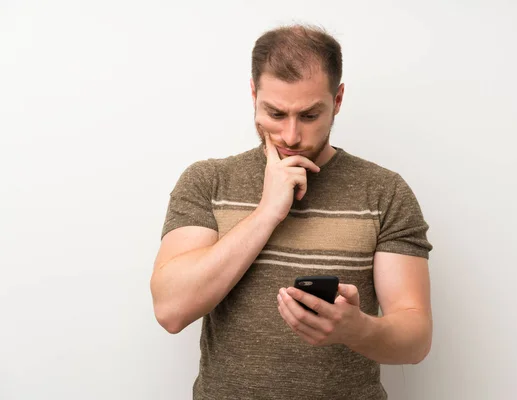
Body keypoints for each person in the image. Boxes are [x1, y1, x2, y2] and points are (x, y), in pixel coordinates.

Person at [150, 24, 434, 400]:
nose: (291, 135)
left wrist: (357, 329)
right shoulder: (208, 182)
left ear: (338, 100)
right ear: (254, 94)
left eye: (309, 115)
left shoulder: (384, 192)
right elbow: (171, 309)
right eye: (275, 112)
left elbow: (416, 339)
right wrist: (267, 212)